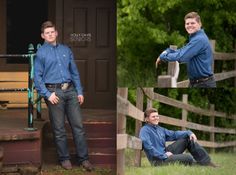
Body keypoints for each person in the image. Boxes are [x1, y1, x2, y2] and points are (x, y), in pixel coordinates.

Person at [34, 21, 93, 171]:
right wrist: (47, 95)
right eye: (47, 33)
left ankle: (83, 159)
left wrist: (79, 91)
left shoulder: (66, 49)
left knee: (78, 126)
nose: (50, 34)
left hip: (71, 91)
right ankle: (64, 159)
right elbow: (37, 78)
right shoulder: (41, 53)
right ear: (43, 36)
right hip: (54, 93)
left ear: (56, 33)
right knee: (59, 128)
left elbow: (74, 72)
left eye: (52, 32)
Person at [139, 108, 218, 167]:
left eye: (157, 116)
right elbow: (149, 148)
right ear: (147, 119)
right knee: (188, 157)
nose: (156, 118)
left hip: (165, 152)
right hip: (158, 160)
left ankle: (207, 163)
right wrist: (164, 155)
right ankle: (197, 164)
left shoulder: (160, 129)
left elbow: (174, 134)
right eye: (153, 117)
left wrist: (189, 132)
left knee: (188, 139)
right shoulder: (145, 130)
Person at [156, 12, 216, 88]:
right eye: (187, 24)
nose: (189, 25)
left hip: (203, 84)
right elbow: (183, 51)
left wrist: (163, 56)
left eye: (192, 23)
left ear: (199, 24)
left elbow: (182, 56)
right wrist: (168, 51)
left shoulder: (199, 40)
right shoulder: (196, 38)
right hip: (197, 82)